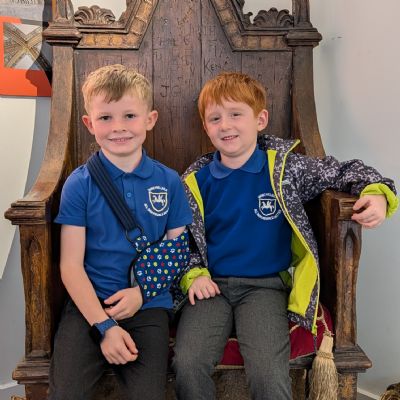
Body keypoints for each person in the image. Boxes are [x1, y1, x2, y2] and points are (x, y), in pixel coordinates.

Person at [172, 72, 398, 400]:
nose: (225, 125)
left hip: (264, 287)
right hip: (211, 287)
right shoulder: (195, 180)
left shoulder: (285, 169)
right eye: (215, 118)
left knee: (267, 371)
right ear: (205, 127)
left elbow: (344, 170)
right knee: (188, 364)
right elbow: (183, 240)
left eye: (236, 114)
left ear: (260, 119)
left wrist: (377, 192)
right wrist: (193, 275)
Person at [49, 64, 192, 400]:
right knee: (65, 394)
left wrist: (141, 294)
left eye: (129, 116)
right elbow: (70, 265)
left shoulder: (169, 181)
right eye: (105, 118)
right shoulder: (79, 184)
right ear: (89, 124)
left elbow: (177, 252)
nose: (118, 127)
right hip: (89, 304)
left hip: (148, 303)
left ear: (150, 120)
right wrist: (104, 326)